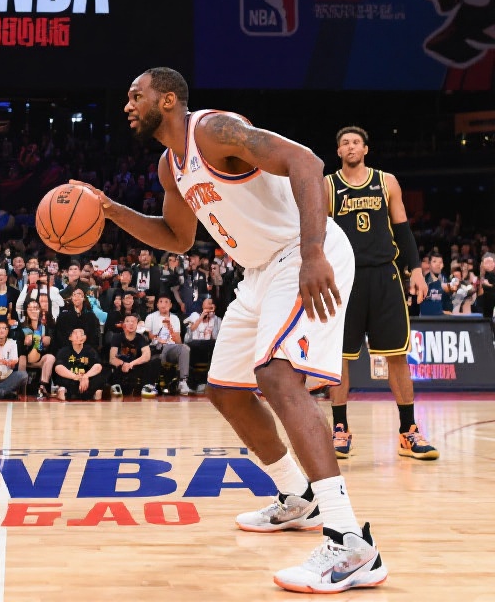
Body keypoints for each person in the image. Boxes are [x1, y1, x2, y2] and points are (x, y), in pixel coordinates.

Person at [76, 67, 386, 593]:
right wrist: (110, 211)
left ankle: (351, 542)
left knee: (277, 375)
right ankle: (298, 498)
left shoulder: (214, 131)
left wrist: (313, 250)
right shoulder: (170, 165)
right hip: (260, 270)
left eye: (136, 95)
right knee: (225, 390)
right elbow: (177, 238)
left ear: (167, 100)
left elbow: (306, 162)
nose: (127, 105)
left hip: (301, 252)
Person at [325, 126, 438, 461]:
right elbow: (316, 234)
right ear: (338, 151)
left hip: (385, 276)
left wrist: (416, 270)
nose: (351, 146)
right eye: (345, 143)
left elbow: (402, 230)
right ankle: (340, 428)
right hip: (345, 279)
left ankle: (408, 431)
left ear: (366, 149)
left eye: (356, 142)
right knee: (339, 357)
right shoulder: (327, 185)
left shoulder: (386, 181)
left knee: (397, 356)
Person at [53, 326, 104, 401]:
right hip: (71, 380)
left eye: (81, 333)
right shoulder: (64, 351)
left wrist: (86, 376)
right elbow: (58, 368)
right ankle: (63, 391)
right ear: (70, 338)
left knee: (99, 380)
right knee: (62, 381)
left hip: (86, 382)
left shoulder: (90, 350)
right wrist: (75, 377)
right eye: (76, 333)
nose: (79, 335)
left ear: (85, 338)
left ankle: (94, 393)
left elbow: (98, 366)